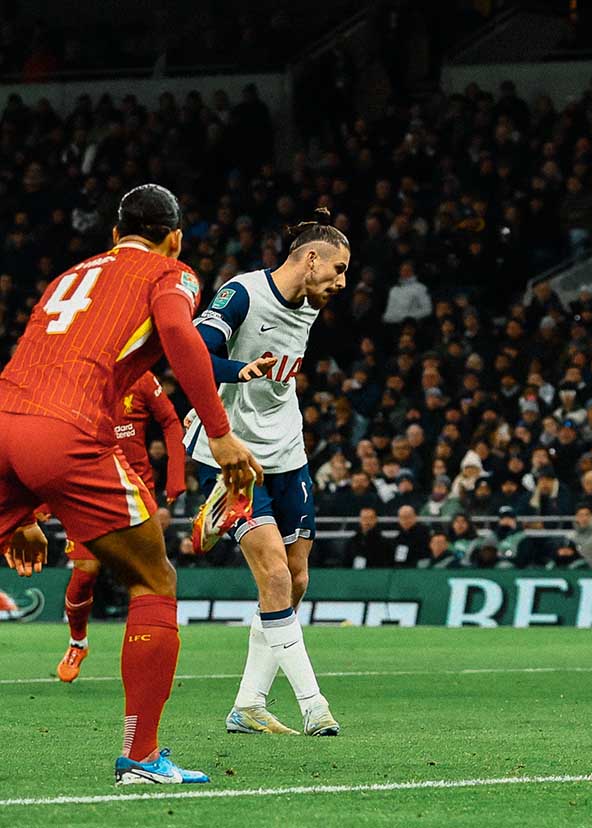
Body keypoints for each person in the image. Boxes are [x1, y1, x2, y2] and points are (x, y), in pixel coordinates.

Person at [0, 183, 260, 785]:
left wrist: (21, 514)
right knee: (154, 577)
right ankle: (141, 757)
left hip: (8, 423)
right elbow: (179, 334)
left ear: (115, 234)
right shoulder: (171, 271)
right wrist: (218, 434)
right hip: (67, 432)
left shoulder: (70, 275)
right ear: (174, 237)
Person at [184, 208, 347, 738]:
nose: (341, 282)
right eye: (338, 269)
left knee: (296, 581)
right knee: (274, 576)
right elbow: (194, 354)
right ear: (312, 259)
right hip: (234, 455)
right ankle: (313, 704)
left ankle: (248, 703)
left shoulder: (310, 302)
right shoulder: (242, 294)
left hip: (288, 451)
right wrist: (238, 369)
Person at [56, 371, 187, 683]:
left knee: (149, 576)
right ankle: (78, 642)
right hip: (89, 489)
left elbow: (170, 421)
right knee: (85, 573)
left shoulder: (142, 378)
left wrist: (175, 476)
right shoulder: (83, 377)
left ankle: (154, 652)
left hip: (135, 490)